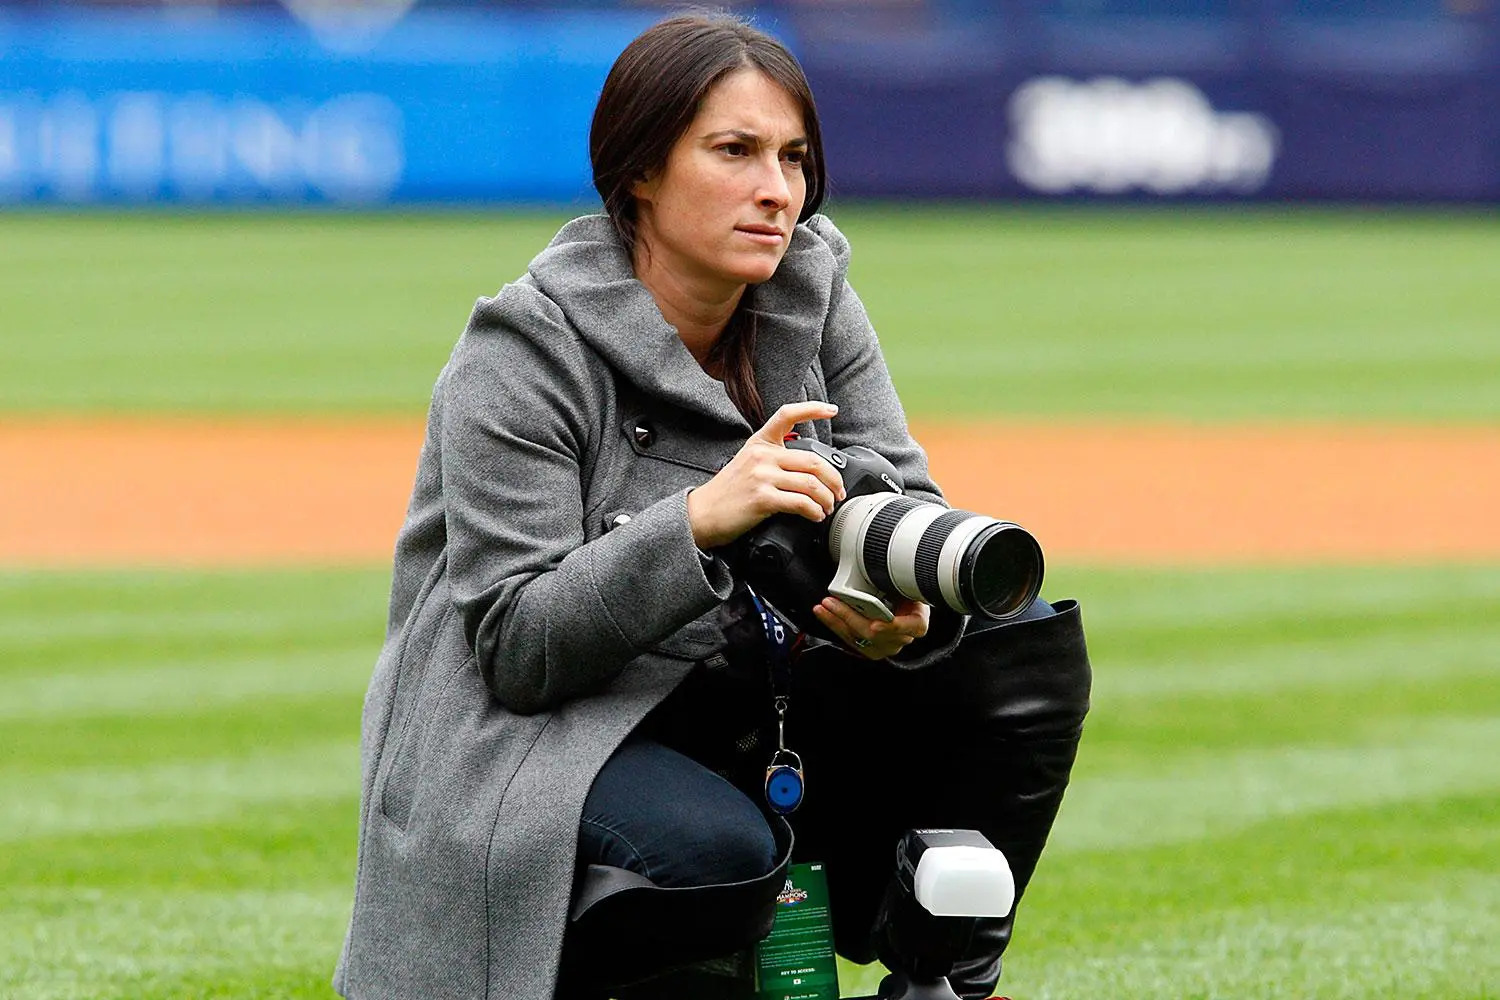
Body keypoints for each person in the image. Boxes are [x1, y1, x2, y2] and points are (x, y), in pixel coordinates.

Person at [333, 13, 1090, 1000]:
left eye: (793, 158)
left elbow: (907, 498)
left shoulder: (814, 295)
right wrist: (696, 520)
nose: (776, 190)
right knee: (712, 849)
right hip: (535, 736)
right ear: (641, 169)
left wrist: (907, 621)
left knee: (1019, 658)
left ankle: (938, 975)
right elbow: (517, 648)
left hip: (742, 688)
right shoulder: (519, 356)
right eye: (734, 152)